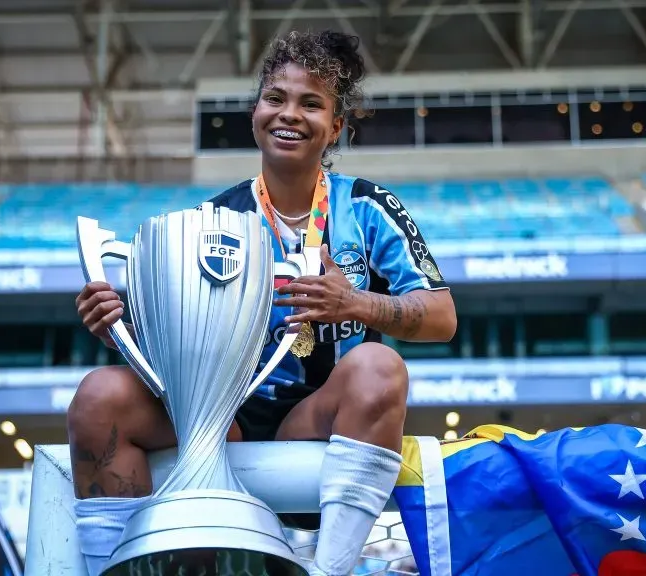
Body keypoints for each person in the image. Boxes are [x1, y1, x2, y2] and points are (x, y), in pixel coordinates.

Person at [68, 29, 457, 576]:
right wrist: (118, 328)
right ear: (255, 112)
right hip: (216, 421)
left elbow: (442, 316)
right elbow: (173, 344)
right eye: (275, 97)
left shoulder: (368, 206)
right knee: (99, 396)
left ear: (336, 127)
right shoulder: (210, 219)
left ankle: (329, 571)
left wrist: (355, 303)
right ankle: (115, 568)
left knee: (380, 365)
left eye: (311, 103)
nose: (289, 114)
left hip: (323, 421)